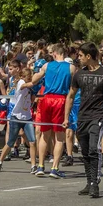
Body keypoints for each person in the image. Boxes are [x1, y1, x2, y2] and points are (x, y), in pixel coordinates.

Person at [64, 42, 103, 198]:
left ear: (89, 56)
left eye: (81, 56)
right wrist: (66, 118)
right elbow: (70, 96)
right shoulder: (79, 75)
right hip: (82, 117)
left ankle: (95, 184)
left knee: (94, 150)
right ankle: (89, 183)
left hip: (98, 117)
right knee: (86, 151)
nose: (78, 58)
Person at [31, 44, 75, 178]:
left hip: (46, 99)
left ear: (55, 53)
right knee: (59, 136)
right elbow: (73, 88)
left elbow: (33, 80)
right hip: (60, 100)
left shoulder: (46, 66)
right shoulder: (71, 68)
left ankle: (40, 166)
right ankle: (55, 168)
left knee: (45, 135)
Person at [0, 68, 37, 173]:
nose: (30, 79)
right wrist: (39, 77)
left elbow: (31, 101)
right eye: (29, 77)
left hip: (27, 117)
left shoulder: (30, 89)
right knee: (10, 142)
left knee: (32, 141)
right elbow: (28, 84)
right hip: (16, 117)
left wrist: (33, 94)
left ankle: (33, 165)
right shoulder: (21, 83)